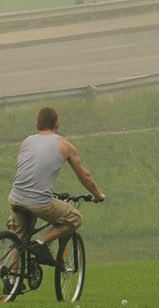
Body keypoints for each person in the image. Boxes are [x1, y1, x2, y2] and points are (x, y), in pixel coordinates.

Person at [7, 106, 104, 265]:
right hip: (39, 202)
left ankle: (12, 280)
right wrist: (98, 195)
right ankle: (40, 244)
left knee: (19, 238)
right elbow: (84, 177)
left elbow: (25, 170)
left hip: (15, 198)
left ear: (37, 125)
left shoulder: (26, 142)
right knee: (75, 217)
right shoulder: (64, 145)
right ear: (57, 124)